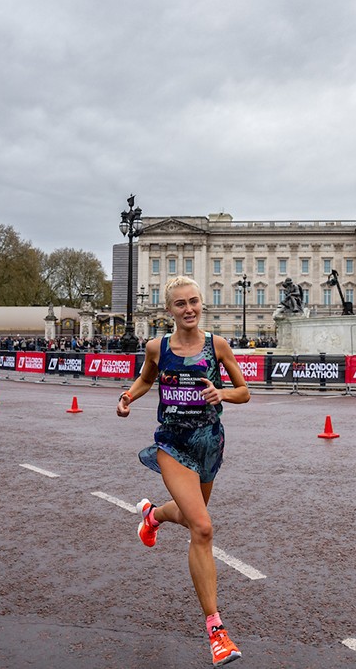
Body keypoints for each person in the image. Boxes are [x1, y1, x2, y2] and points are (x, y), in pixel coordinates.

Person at [117, 276, 250, 666]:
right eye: (180, 304)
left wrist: (222, 393)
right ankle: (217, 631)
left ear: (201, 304)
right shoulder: (156, 347)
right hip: (172, 444)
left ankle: (152, 515)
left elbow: (244, 391)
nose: (189, 309)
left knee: (192, 516)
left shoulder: (217, 346)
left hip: (208, 443)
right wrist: (127, 396)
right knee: (204, 527)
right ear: (168, 310)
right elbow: (146, 379)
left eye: (194, 302)